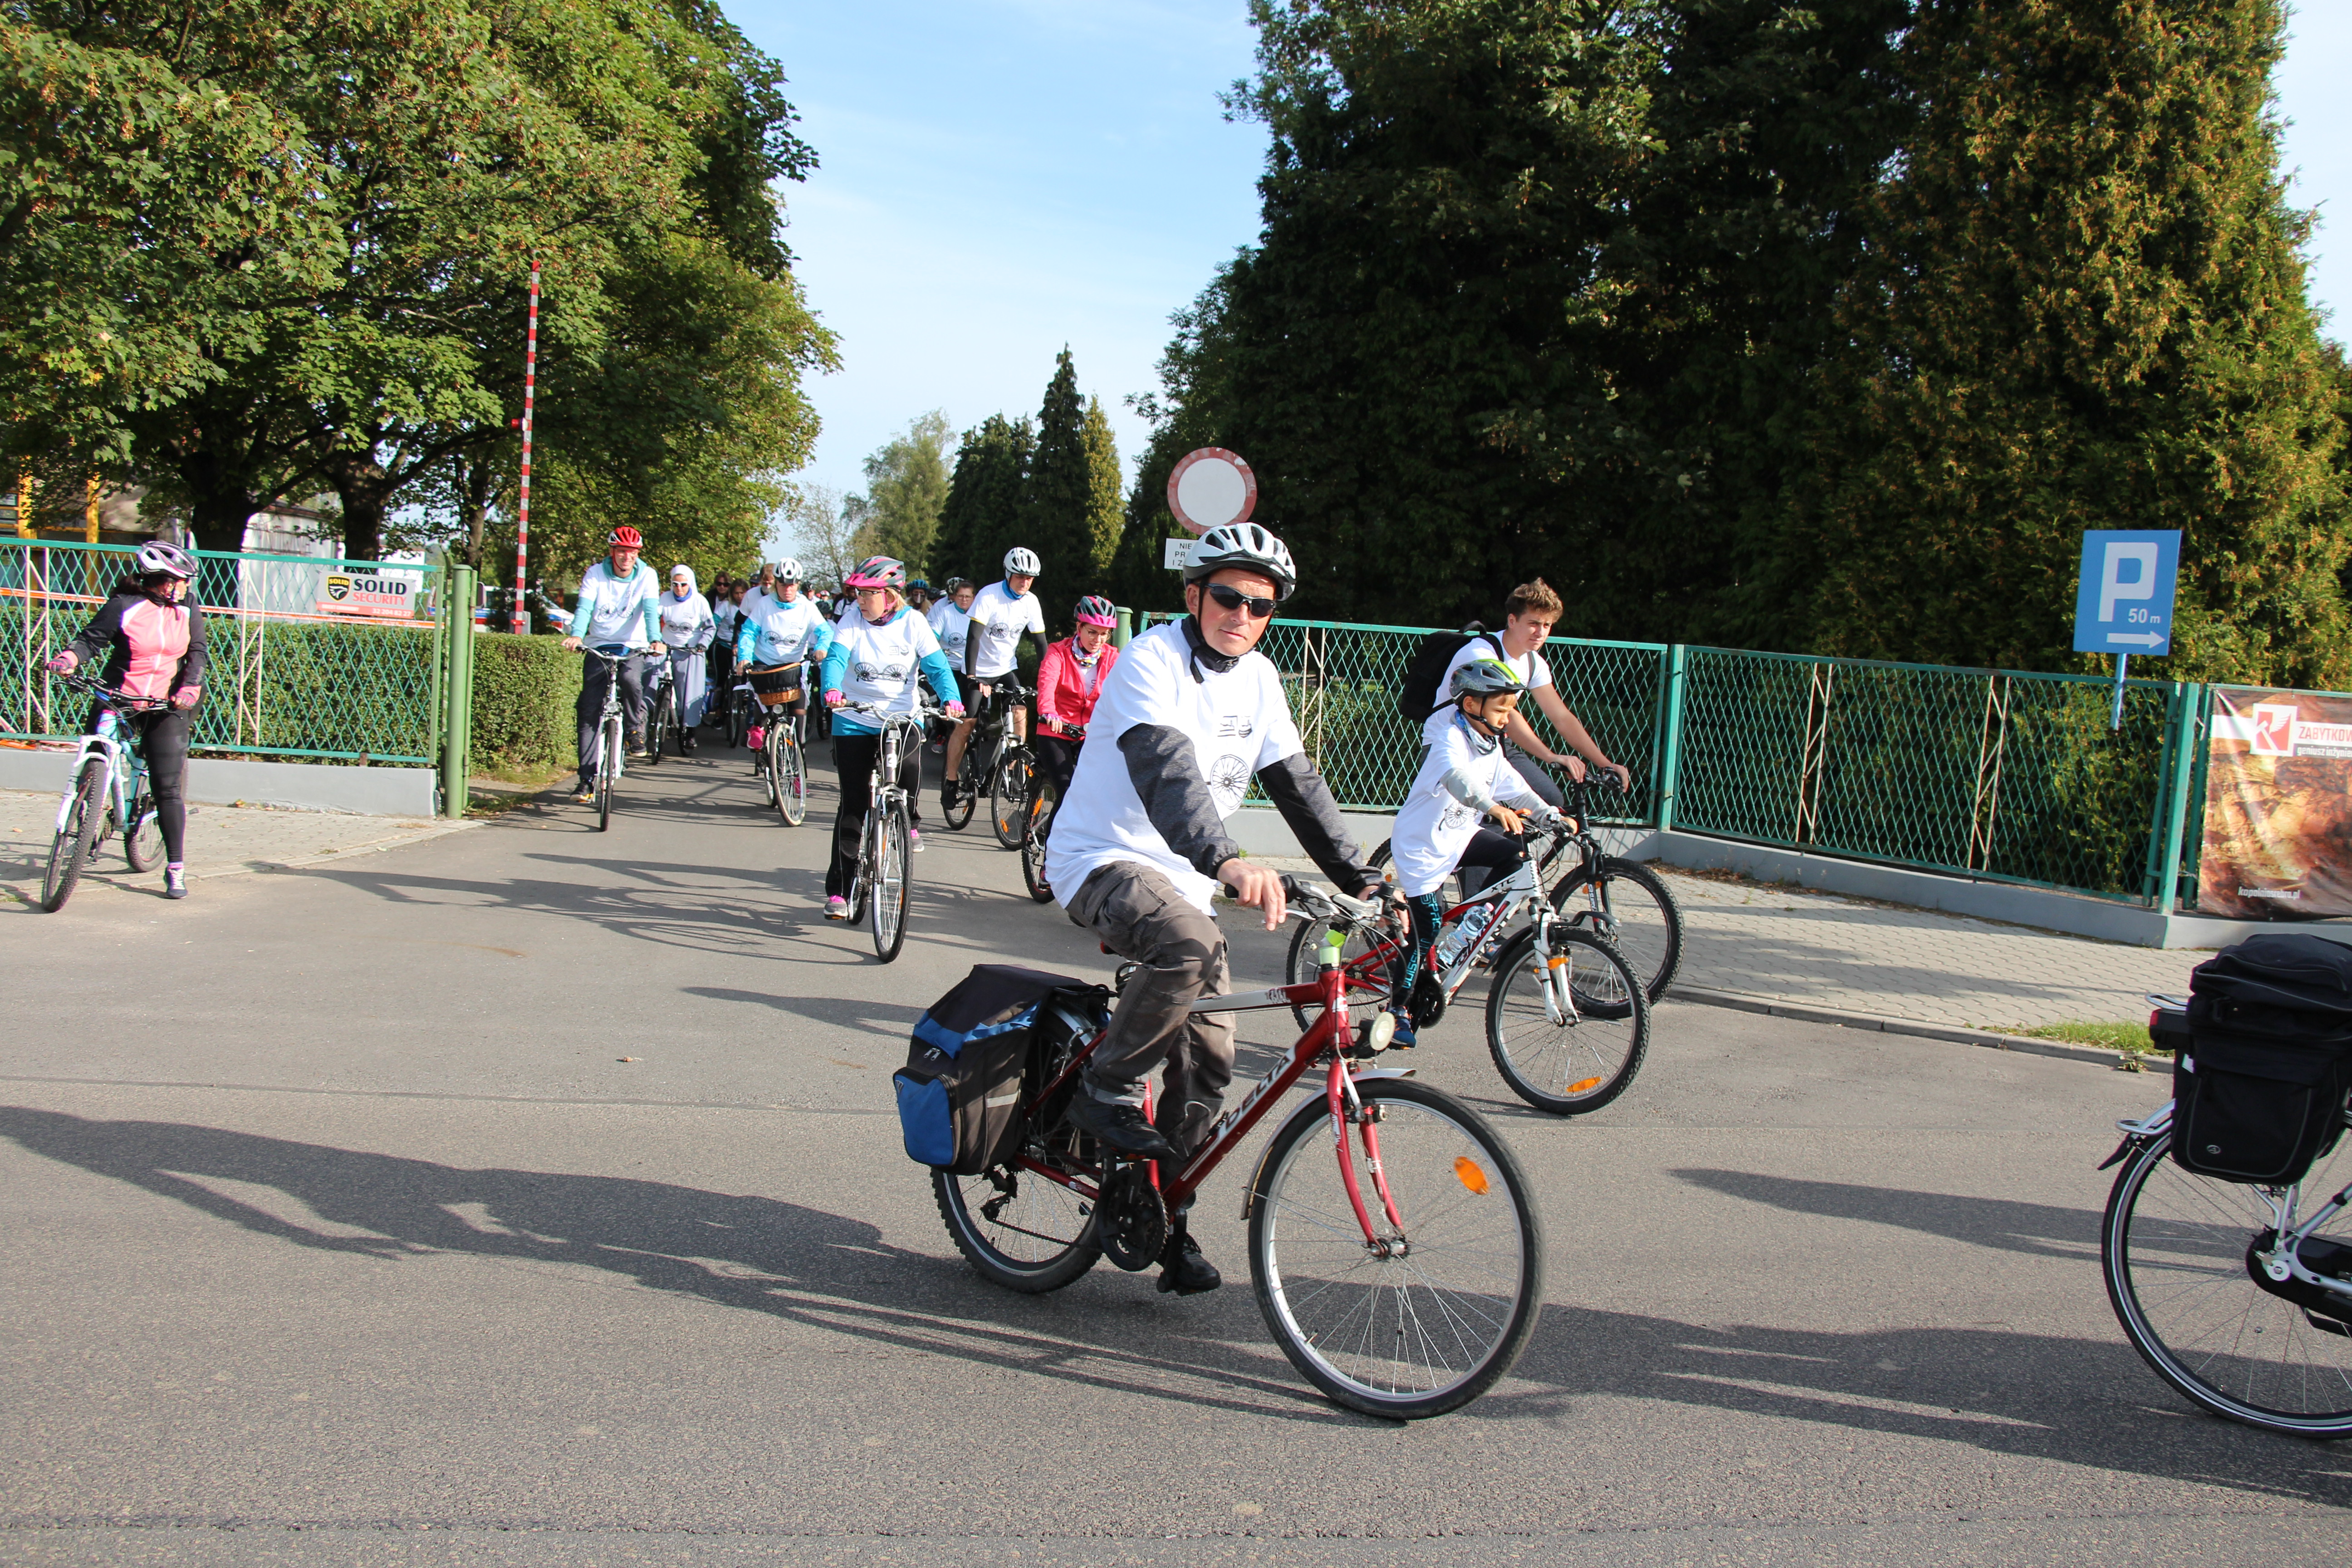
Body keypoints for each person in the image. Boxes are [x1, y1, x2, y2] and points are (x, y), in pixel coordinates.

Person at [1044, 522, 1389, 1296]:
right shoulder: (1150, 662)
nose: (1241, 614)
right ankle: (1102, 1091)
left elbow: (1298, 785)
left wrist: (1367, 882)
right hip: (1101, 860)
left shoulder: (1260, 679)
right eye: (1227, 596)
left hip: (1189, 884)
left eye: (1259, 605)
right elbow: (1166, 772)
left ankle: (1162, 1220)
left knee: (1207, 1069)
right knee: (1188, 941)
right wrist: (1226, 859)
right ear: (1194, 595)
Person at [1384, 658, 1568, 1046]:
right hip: (1423, 847)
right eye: (1502, 709)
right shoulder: (1448, 738)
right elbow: (1457, 778)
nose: (1508, 717)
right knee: (1425, 931)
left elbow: (1515, 787)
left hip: (1459, 835)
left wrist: (1550, 815)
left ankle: (1475, 921)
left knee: (1515, 861)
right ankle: (1397, 1009)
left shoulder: (1490, 745)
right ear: (1472, 705)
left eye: (1512, 708)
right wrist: (1491, 807)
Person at [43, 540, 208, 900]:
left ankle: (176, 868)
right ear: (160, 580)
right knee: (96, 753)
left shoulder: (189, 608)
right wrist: (69, 658)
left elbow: (197, 653)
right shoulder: (124, 605)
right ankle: (88, 822)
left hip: (167, 704)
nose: (183, 588)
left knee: (166, 788)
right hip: (117, 697)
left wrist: (190, 687)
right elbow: (91, 640)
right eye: (178, 581)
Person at [818, 556, 964, 916]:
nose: (860, 600)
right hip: (855, 716)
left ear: (891, 595)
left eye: (869, 594)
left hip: (901, 716)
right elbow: (835, 659)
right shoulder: (852, 619)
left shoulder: (914, 623)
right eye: (858, 593)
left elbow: (938, 666)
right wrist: (832, 689)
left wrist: (952, 698)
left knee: (910, 770)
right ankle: (841, 890)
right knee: (852, 804)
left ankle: (909, 818)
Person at [1430, 578, 1630, 812]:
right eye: (1534, 623)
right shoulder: (1481, 653)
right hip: (1452, 744)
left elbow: (1562, 718)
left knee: (1549, 801)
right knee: (1477, 816)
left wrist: (1606, 765)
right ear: (1512, 621)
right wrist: (1551, 756)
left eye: (1547, 625)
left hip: (1493, 744)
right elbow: (1507, 714)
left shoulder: (1533, 663)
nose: (1541, 632)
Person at [1027, 595, 1120, 895]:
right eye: (1092, 631)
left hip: (1091, 734)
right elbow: (1047, 685)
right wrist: (1049, 712)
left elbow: (1123, 692)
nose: (1098, 639)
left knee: (1105, 792)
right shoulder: (1058, 653)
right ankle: (1049, 864)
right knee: (1069, 791)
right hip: (1056, 731)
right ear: (1078, 628)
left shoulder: (1113, 658)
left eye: (1104, 634)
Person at [561, 526, 662, 802]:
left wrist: (656, 640)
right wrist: (577, 635)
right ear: (612, 552)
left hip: (633, 644)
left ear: (637, 553)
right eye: (621, 551)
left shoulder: (648, 575)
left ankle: (633, 729)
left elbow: (651, 611)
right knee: (589, 710)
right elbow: (584, 607)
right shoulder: (595, 574)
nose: (627, 556)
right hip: (599, 645)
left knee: (631, 680)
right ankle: (586, 780)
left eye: (632, 552)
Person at [943, 547, 1046, 815]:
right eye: (1020, 576)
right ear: (1009, 574)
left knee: (1021, 710)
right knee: (968, 723)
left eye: (1030, 578)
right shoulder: (990, 596)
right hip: (978, 667)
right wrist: (973, 678)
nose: (1025, 583)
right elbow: (974, 638)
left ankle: (1009, 767)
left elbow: (1040, 644)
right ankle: (952, 780)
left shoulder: (1031, 602)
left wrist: (1047, 681)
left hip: (1005, 667)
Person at [735, 557, 833, 771]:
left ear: (798, 585)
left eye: (792, 585)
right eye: (783, 585)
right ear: (776, 584)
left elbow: (825, 631)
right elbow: (749, 633)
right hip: (766, 663)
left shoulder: (807, 607)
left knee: (798, 723)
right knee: (764, 701)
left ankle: (798, 772)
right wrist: (744, 657)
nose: (788, 589)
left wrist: (822, 647)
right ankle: (758, 730)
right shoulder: (764, 605)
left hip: (793, 667)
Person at [657, 564, 715, 741]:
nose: (679, 588)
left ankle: (689, 730)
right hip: (666, 647)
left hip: (690, 650)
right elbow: (654, 620)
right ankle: (653, 723)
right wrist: (656, 641)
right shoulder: (664, 598)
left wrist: (701, 645)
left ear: (690, 584)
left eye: (683, 585)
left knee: (688, 691)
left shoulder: (700, 601)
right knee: (652, 679)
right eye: (675, 584)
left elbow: (710, 628)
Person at [925, 578, 975, 754]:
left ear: (973, 598)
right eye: (960, 596)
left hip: (970, 668)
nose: (964, 600)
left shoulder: (978, 614)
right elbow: (932, 636)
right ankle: (941, 735)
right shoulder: (945, 613)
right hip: (950, 665)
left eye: (968, 597)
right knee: (945, 703)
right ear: (954, 597)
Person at [708, 574, 741, 722]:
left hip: (741, 648)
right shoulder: (726, 605)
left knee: (741, 680)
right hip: (723, 645)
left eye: (742, 593)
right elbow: (714, 621)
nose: (739, 596)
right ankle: (719, 713)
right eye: (736, 593)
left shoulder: (751, 606)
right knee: (721, 679)